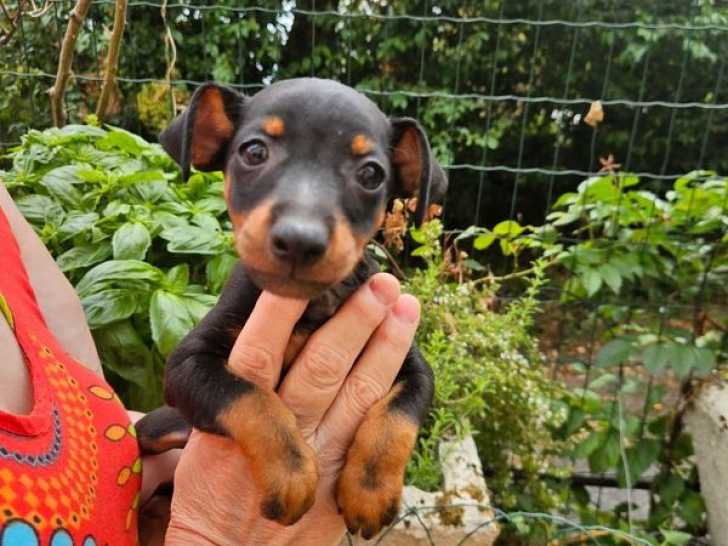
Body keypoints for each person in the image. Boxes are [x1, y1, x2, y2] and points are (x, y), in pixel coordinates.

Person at [0, 181, 421, 545]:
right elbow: (187, 369)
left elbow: (74, 363)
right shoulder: (254, 280)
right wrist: (210, 532)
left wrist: (376, 465)